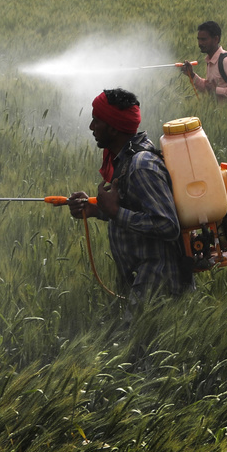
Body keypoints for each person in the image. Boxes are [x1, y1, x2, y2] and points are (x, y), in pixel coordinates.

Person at [68, 88, 194, 303]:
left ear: (113, 128)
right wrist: (97, 209)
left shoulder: (141, 165)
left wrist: (115, 212)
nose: (91, 127)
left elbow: (167, 224)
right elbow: (136, 207)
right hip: (143, 283)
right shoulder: (126, 158)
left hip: (158, 287)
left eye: (96, 121)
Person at [181, 21, 227, 103]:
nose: (200, 43)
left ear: (216, 39)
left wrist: (217, 90)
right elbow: (208, 88)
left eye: (204, 39)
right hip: (218, 110)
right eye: (199, 39)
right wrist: (191, 75)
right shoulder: (210, 61)